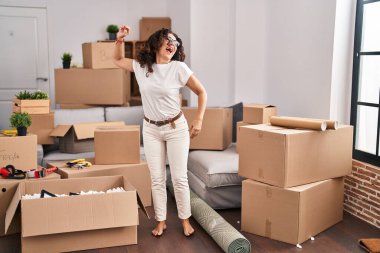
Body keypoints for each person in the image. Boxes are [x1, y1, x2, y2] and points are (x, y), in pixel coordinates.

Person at [113, 25, 207, 237]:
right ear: (157, 42)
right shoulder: (141, 67)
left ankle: (185, 220)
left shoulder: (179, 68)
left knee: (179, 177)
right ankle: (161, 221)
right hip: (151, 129)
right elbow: (118, 60)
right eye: (168, 40)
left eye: (176, 42)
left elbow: (202, 92)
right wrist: (119, 40)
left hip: (176, 128)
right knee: (156, 178)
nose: (172, 45)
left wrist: (199, 119)